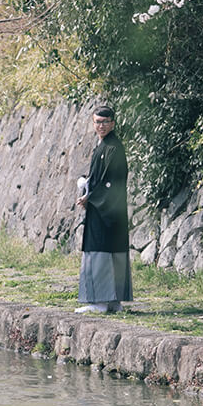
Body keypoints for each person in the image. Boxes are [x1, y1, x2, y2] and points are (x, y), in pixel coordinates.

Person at [75, 105, 131, 313]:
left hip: (106, 208)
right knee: (111, 252)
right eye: (98, 122)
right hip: (107, 208)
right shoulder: (103, 146)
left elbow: (111, 182)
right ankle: (114, 301)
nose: (101, 126)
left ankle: (100, 302)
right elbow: (99, 178)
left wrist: (90, 197)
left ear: (113, 123)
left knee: (101, 252)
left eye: (105, 122)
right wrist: (87, 185)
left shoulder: (113, 147)